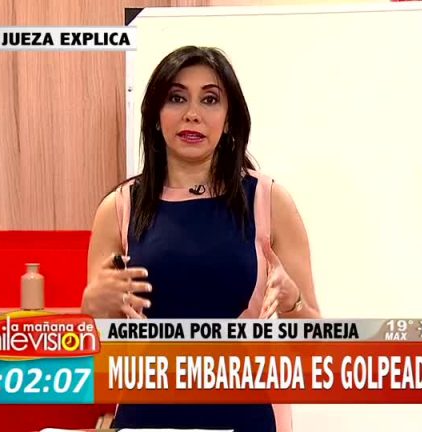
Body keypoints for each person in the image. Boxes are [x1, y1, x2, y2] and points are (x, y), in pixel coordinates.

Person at [81, 45, 321, 432]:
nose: (192, 114)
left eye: (210, 100)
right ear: (155, 116)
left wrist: (292, 302)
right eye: (177, 98)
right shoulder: (119, 207)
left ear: (228, 120)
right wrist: (93, 308)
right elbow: (102, 350)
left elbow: (316, 346)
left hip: (248, 416)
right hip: (147, 417)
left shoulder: (268, 200)